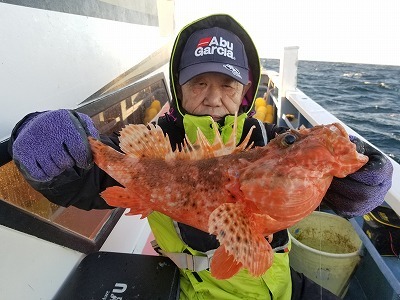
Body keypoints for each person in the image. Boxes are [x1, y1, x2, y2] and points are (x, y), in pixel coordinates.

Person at [9, 14, 393, 300]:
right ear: (179, 88)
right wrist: (52, 146)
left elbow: (336, 195)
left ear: (245, 91)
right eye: (199, 83)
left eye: (227, 84)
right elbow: (86, 183)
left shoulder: (269, 139)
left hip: (283, 283)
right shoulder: (163, 145)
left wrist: (365, 181)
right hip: (201, 289)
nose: (213, 98)